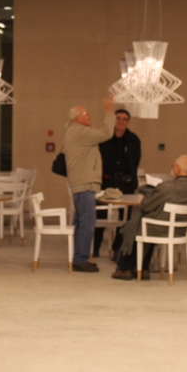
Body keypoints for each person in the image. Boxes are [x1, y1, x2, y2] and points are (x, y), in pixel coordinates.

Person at [111, 154, 187, 280]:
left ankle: (126, 268)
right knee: (144, 222)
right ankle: (143, 268)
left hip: (160, 228)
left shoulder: (166, 187)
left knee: (138, 223)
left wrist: (150, 193)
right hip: (180, 230)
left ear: (176, 169)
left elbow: (146, 206)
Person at [64, 96, 115, 272]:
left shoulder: (76, 132)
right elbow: (106, 133)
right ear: (77, 118)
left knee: (82, 222)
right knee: (87, 222)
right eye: (86, 114)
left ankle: (79, 257)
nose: (90, 116)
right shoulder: (79, 132)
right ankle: (80, 260)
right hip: (84, 183)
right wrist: (109, 111)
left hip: (83, 183)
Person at [93, 108, 141, 257]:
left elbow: (135, 161)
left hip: (125, 183)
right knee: (100, 214)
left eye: (124, 119)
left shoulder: (133, 139)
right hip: (106, 181)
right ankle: (95, 247)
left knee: (125, 218)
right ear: (114, 120)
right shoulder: (105, 137)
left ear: (128, 122)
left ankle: (118, 248)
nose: (121, 122)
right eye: (118, 118)